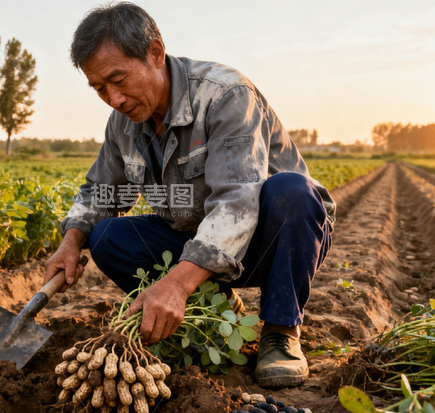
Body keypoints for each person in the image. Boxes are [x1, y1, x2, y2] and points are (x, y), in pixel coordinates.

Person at [44, 2, 335, 388]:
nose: (114, 99)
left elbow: (236, 202)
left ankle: (281, 332)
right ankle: (216, 298)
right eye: (99, 88)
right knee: (107, 237)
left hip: (269, 241)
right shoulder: (123, 123)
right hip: (193, 238)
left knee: (293, 191)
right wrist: (70, 240)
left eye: (119, 80)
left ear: (155, 52)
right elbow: (101, 191)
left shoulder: (225, 95)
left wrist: (176, 284)